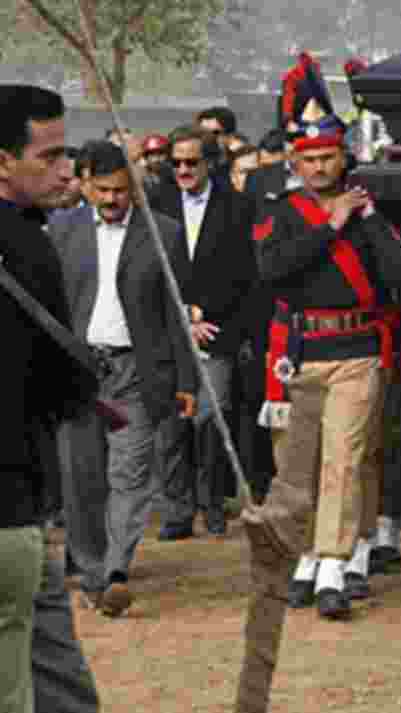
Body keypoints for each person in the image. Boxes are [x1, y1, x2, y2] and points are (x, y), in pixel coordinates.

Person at [251, 111, 401, 621]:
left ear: (344, 158)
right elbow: (272, 270)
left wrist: (365, 219)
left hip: (356, 350)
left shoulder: (368, 209)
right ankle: (304, 559)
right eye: (310, 159)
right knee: (297, 467)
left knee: (344, 461)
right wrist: (330, 224)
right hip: (297, 353)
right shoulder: (280, 210)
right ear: (295, 163)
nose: (320, 167)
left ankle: (332, 565)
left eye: (328, 157)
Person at [49, 141, 196, 618]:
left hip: (138, 373)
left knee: (130, 474)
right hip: (78, 372)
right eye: (104, 190)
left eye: (122, 190)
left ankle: (116, 570)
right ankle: (91, 570)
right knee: (82, 477)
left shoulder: (165, 235)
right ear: (86, 184)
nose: (113, 199)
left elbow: (178, 314)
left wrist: (187, 381)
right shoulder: (62, 231)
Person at [0, 83, 99, 713]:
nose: (67, 169)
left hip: (23, 504)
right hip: (13, 501)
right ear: (3, 161)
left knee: (50, 659)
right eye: (50, 156)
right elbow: (58, 385)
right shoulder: (29, 246)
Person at [147, 125, 258, 539]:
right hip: (168, 328)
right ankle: (177, 509)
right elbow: (150, 268)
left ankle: (212, 504)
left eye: (191, 162)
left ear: (209, 162)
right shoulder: (155, 202)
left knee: (213, 421)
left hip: (218, 329)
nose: (182, 170)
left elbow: (245, 272)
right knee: (173, 422)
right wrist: (180, 318)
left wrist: (209, 319)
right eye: (175, 163)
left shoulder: (239, 207)